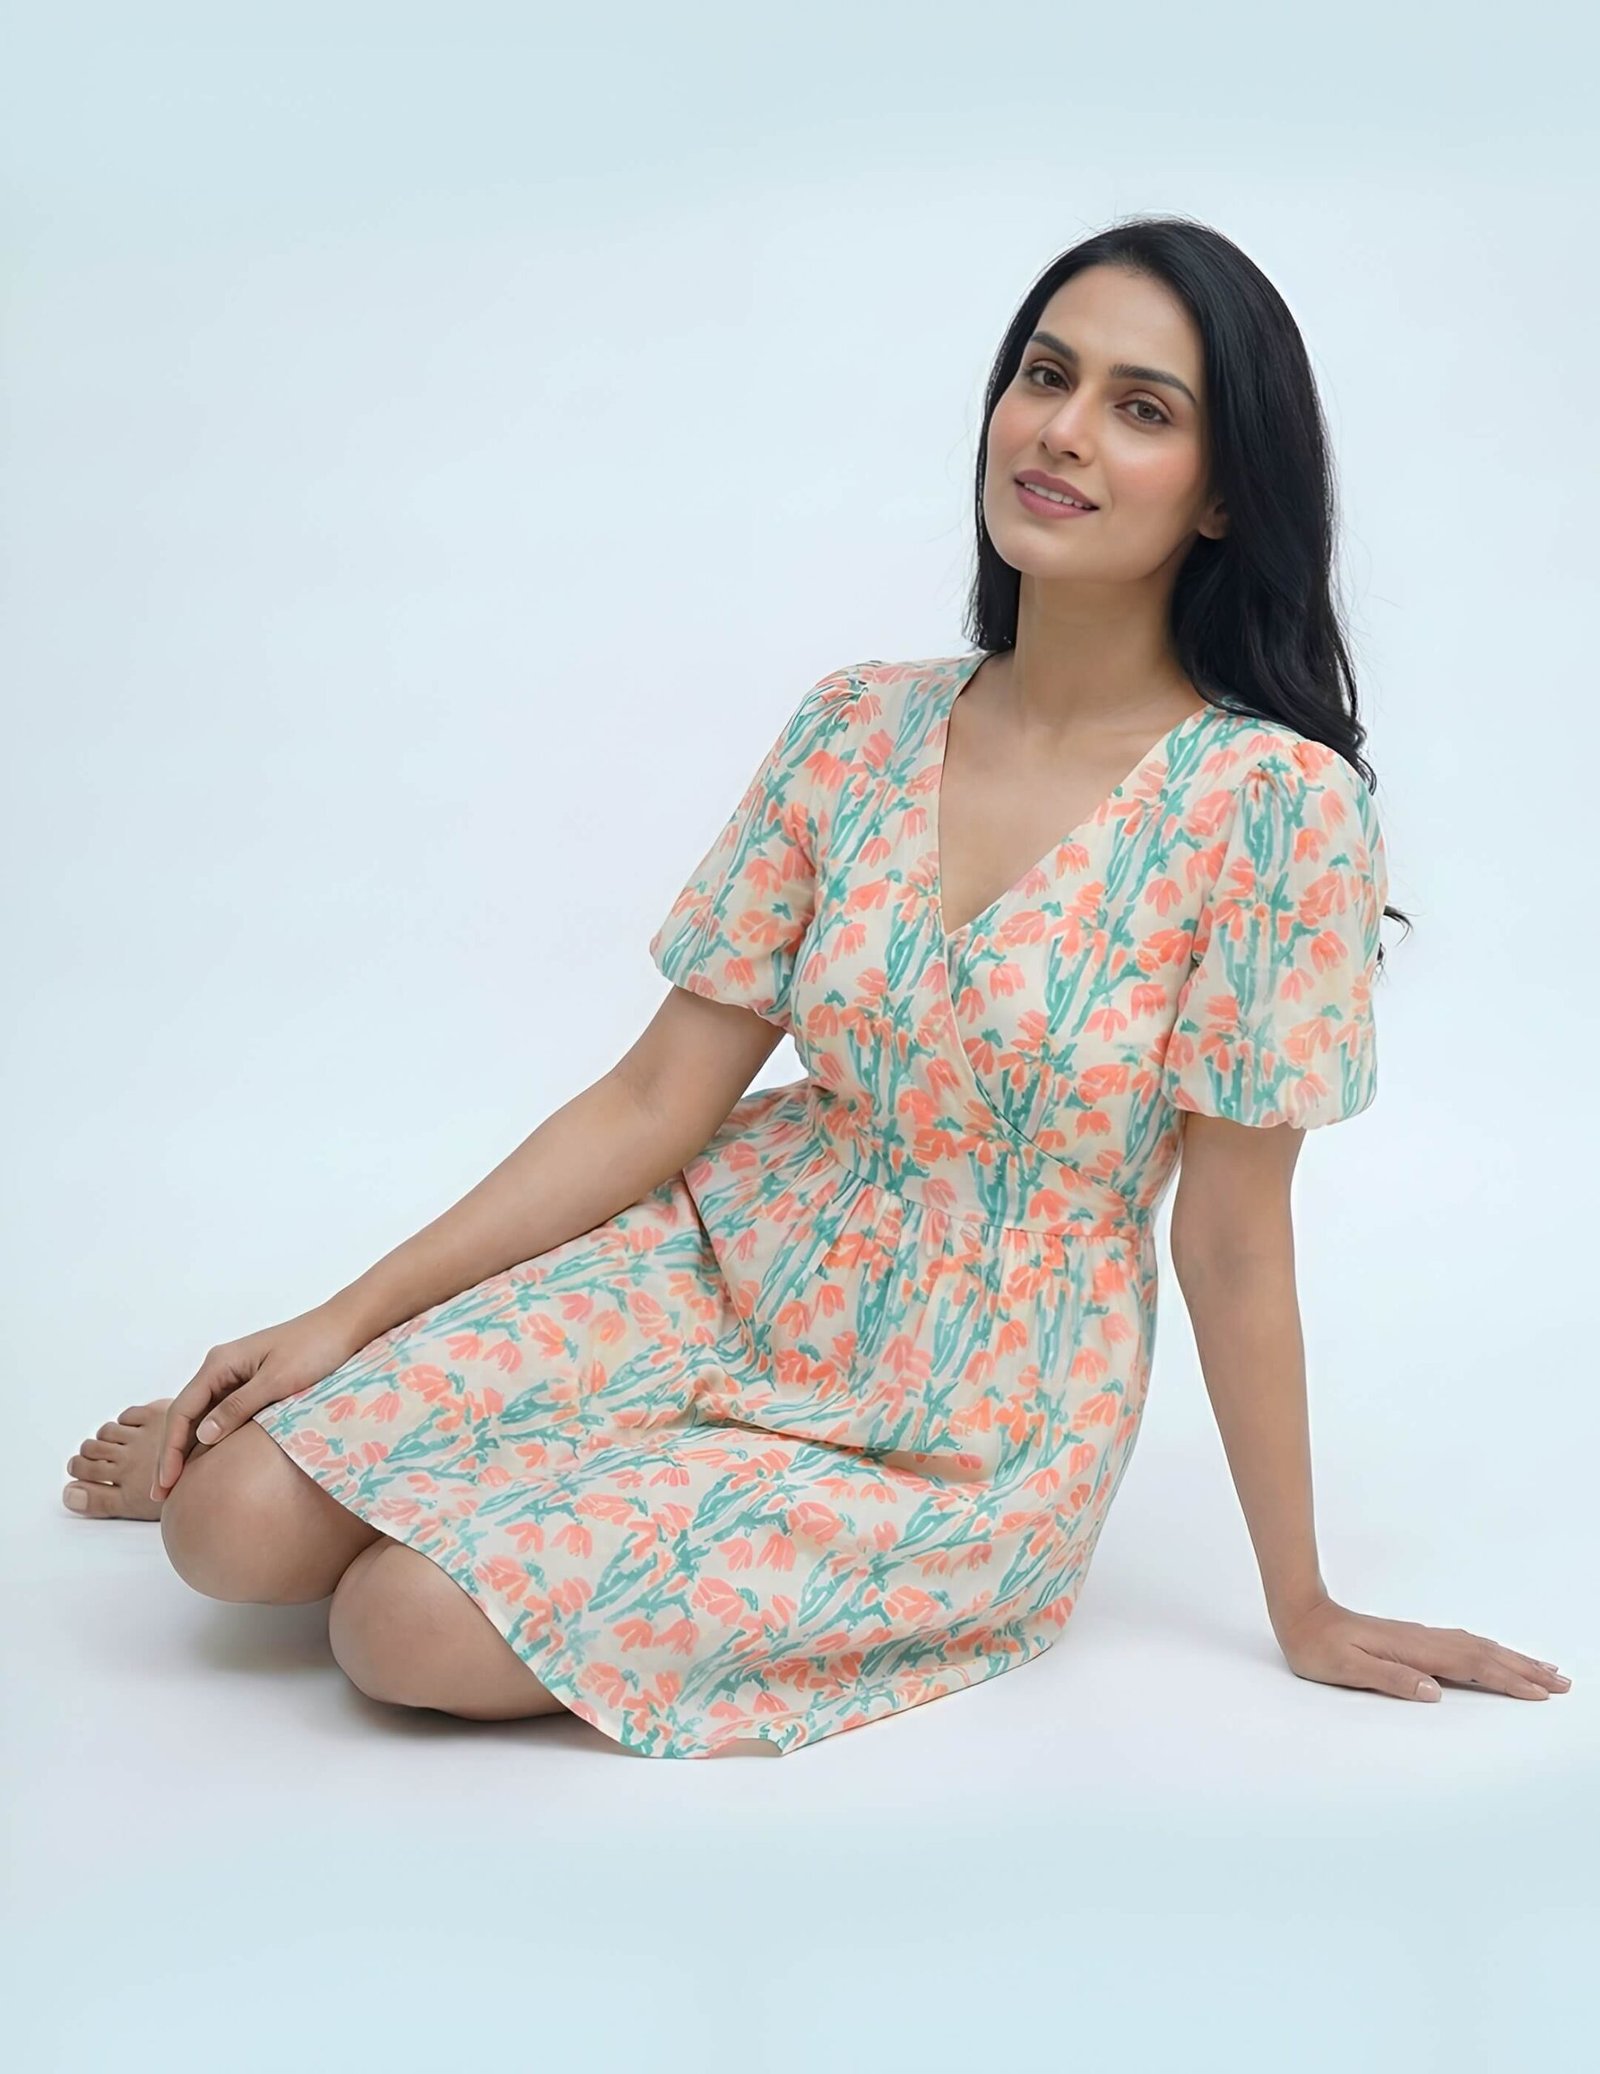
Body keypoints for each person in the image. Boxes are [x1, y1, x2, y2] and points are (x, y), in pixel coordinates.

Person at [61, 216, 1570, 1756]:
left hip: (969, 1412)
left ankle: (489, 1515)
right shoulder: (855, 726)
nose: (1062, 430)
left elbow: (1235, 1241)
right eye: (1046, 375)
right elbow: (656, 1096)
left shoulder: (1277, 809)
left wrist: (1303, 1601)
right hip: (727, 1256)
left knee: (396, 1628)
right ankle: (444, 1469)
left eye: (1141, 407)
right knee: (226, 1525)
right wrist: (342, 1321)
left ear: (1226, 493)